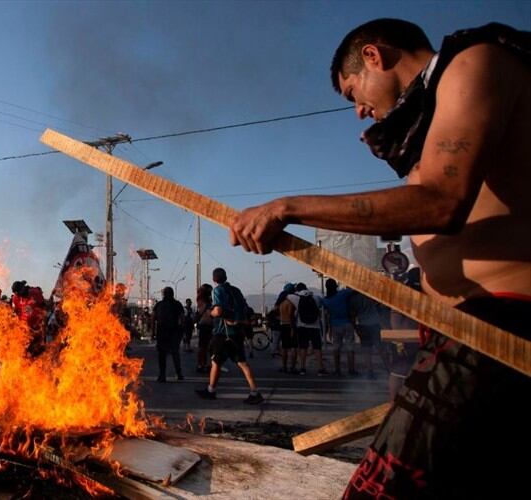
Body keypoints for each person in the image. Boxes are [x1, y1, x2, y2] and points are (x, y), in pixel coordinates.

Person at [227, 18, 530, 498]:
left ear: (374, 56)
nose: (360, 112)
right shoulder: (434, 118)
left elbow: (441, 202)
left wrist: (287, 208)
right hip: (455, 330)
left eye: (353, 94)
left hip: (497, 328)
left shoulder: (475, 62)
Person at [195, 268, 263, 404]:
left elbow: (219, 310)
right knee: (242, 363)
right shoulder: (236, 290)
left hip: (222, 332)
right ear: (226, 277)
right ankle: (255, 392)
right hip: (237, 331)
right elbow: (244, 308)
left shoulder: (218, 290)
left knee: (215, 361)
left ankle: (211, 391)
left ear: (214, 279)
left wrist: (211, 313)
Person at [289, 283, 328, 375]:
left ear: (297, 290)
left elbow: (286, 295)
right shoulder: (316, 297)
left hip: (302, 326)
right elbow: (322, 303)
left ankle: (302, 368)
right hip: (315, 326)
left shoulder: (296, 298)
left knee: (303, 347)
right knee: (317, 348)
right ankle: (320, 369)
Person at [321, 278, 356, 376]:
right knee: (350, 347)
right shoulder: (342, 294)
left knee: (336, 348)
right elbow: (353, 290)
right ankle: (351, 370)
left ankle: (337, 370)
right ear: (336, 286)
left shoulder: (326, 300)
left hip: (335, 325)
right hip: (347, 323)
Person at [152, 287, 185, 382]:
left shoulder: (159, 305)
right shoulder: (177, 304)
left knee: (162, 354)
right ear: (172, 294)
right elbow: (182, 318)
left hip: (162, 332)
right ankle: (179, 374)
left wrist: (153, 332)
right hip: (174, 332)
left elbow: (153, 318)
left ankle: (162, 375)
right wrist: (182, 331)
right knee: (175, 352)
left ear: (163, 295)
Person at [194, 284, 214, 373]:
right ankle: (202, 364)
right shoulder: (202, 300)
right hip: (205, 324)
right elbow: (202, 310)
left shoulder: (204, 299)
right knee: (204, 347)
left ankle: (205, 364)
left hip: (207, 324)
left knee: (207, 346)